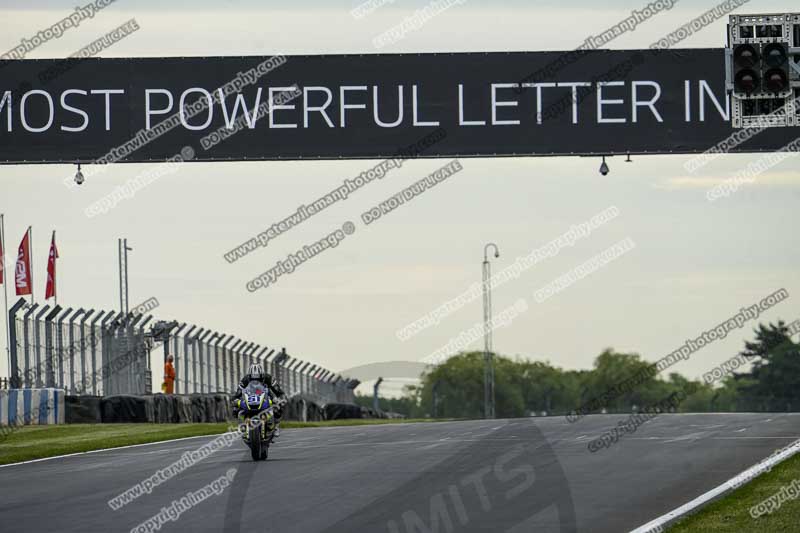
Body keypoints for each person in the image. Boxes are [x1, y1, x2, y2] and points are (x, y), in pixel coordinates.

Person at [233, 363, 286, 437]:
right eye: (253, 379)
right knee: (236, 408)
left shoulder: (269, 379)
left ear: (262, 375)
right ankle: (241, 426)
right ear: (249, 376)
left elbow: (279, 391)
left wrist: (280, 399)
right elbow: (238, 392)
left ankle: (276, 426)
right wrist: (235, 400)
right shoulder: (245, 379)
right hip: (250, 397)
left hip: (266, 397)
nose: (256, 381)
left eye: (258, 379)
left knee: (278, 407)